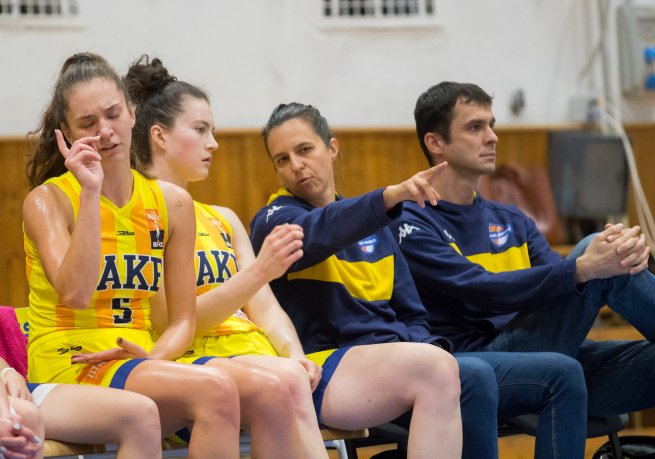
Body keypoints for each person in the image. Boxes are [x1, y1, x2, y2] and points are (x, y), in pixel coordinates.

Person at [250, 102, 589, 459]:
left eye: (304, 150)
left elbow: (411, 313)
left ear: (332, 149)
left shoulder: (374, 225)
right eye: (281, 160)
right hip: (329, 366)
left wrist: (432, 349)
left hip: (397, 360)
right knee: (471, 373)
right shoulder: (275, 220)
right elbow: (323, 229)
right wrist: (386, 198)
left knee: (533, 372)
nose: (296, 166)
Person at [394, 80, 655, 431]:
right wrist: (588, 265)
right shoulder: (409, 221)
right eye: (475, 127)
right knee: (595, 251)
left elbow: (564, 285)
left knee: (606, 254)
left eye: (492, 125)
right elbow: (480, 287)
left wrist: (610, 257)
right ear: (436, 142)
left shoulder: (513, 220)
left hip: (545, 354)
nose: (492, 137)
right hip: (477, 368)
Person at [23, 52, 242, 459]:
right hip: (67, 361)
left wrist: (154, 354)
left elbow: (182, 321)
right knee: (207, 392)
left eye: (112, 114)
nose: (105, 131)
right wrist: (90, 192)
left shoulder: (171, 203)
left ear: (132, 113)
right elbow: (74, 293)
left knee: (225, 389)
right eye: (88, 124)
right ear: (67, 136)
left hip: (137, 360)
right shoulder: (49, 201)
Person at [124, 55, 328, 459]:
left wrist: (294, 353)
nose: (214, 143)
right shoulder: (139, 213)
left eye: (212, 131)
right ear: (160, 136)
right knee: (284, 384)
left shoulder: (223, 218)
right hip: (198, 360)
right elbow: (169, 323)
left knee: (293, 375)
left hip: (259, 358)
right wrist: (257, 274)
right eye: (200, 130)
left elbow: (266, 309)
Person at [1, 353, 162, 459]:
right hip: (13, 400)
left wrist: (7, 371)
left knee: (140, 414)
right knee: (26, 416)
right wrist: (5, 414)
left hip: (10, 386)